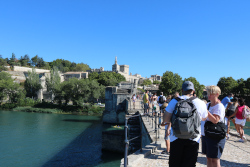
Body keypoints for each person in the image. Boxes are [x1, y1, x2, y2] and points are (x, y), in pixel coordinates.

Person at [162, 81, 208, 167]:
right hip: (193, 139)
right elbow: (204, 118)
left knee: (174, 164)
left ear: (182, 90)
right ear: (193, 90)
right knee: (190, 164)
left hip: (176, 137)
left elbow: (166, 119)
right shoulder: (200, 103)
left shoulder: (174, 101)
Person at [202, 85, 226, 167]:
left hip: (215, 135)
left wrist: (206, 111)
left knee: (215, 159)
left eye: (211, 93)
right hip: (207, 134)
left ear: (217, 94)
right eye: (208, 93)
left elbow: (215, 120)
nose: (209, 95)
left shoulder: (219, 106)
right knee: (208, 158)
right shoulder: (208, 105)